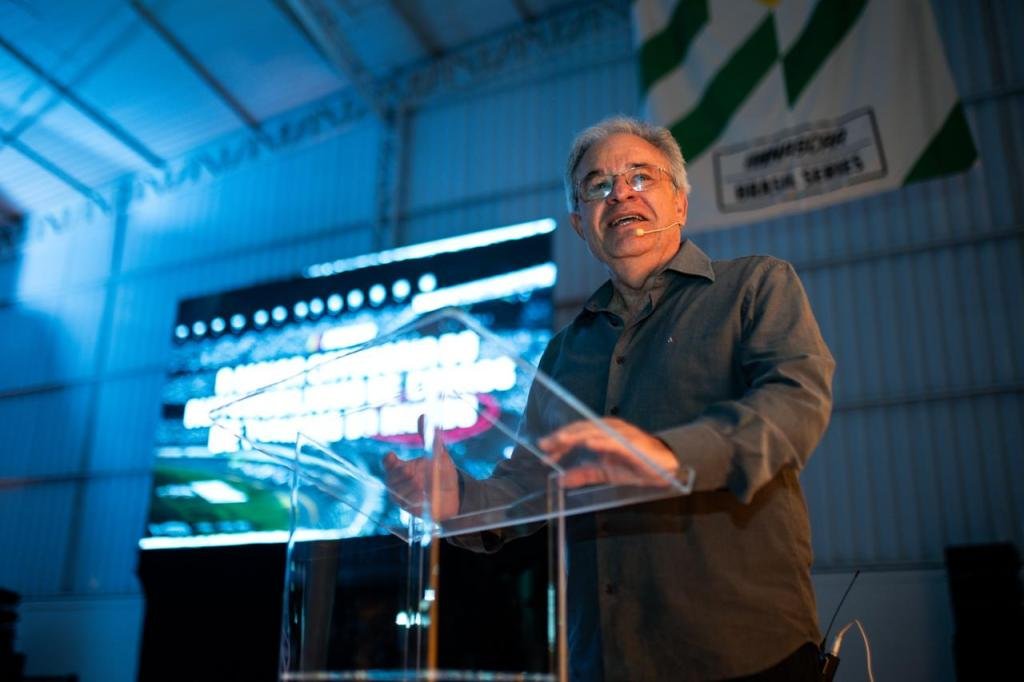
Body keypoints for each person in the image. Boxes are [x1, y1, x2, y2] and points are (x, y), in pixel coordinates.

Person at [385, 116, 835, 681]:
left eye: (641, 177)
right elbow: (529, 484)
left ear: (680, 203)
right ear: (581, 224)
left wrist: (668, 457)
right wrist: (457, 502)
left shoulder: (755, 287)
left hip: (744, 653)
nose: (620, 193)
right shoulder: (562, 353)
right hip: (601, 660)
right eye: (597, 185)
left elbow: (795, 404)